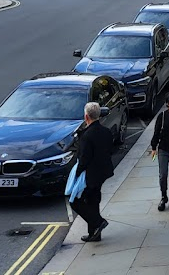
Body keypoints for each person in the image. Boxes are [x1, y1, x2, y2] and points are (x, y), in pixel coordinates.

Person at [70, 102, 115, 243]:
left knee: (75, 202)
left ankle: (98, 222)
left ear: (86, 116)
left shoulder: (86, 136)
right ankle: (95, 234)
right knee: (93, 200)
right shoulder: (106, 132)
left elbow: (84, 159)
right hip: (103, 172)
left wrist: (76, 173)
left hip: (90, 174)